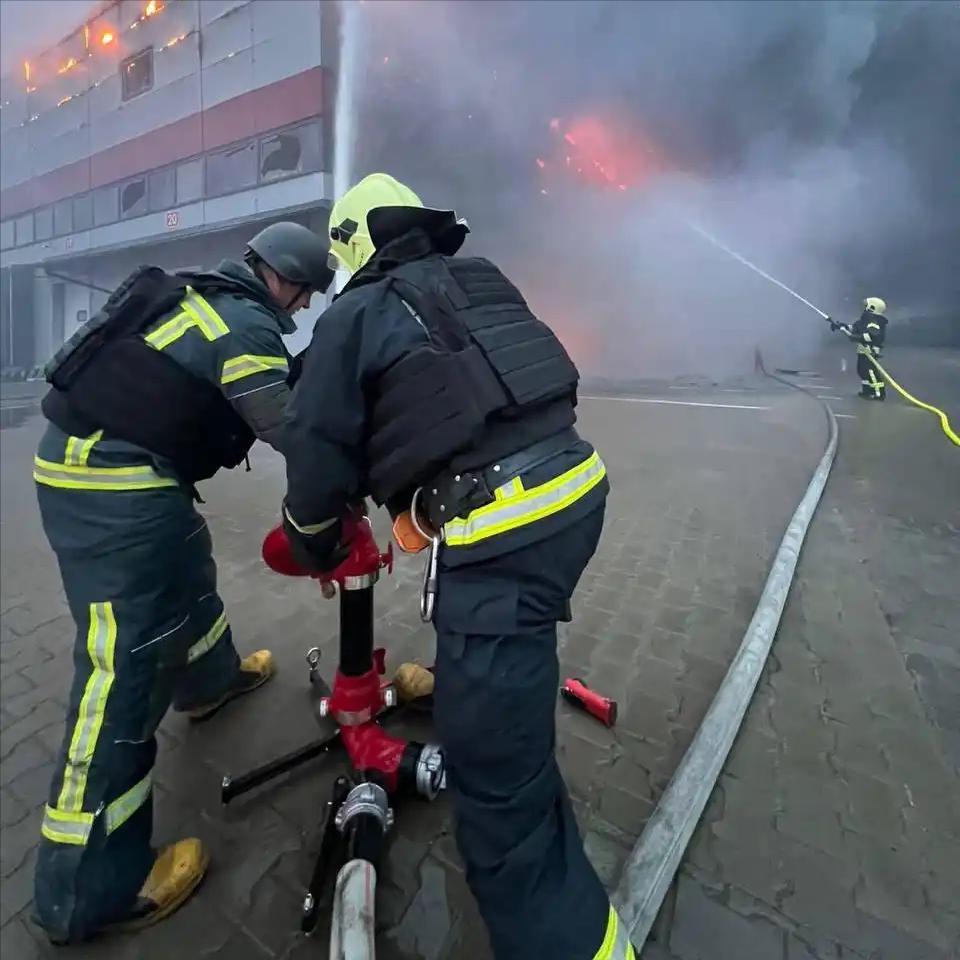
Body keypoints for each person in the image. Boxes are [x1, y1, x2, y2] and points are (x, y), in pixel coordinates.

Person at [282, 174, 634, 959]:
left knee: (497, 792)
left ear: (350, 246)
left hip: (506, 530)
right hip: (576, 492)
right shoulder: (475, 275)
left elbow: (314, 442)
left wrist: (310, 539)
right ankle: (508, 722)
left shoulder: (355, 314)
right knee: (510, 681)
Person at [32, 222, 333, 943]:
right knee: (122, 669)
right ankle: (85, 890)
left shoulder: (205, 295)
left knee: (187, 564)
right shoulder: (244, 324)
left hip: (116, 473)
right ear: (284, 280)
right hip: (111, 489)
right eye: (303, 299)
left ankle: (209, 683)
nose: (299, 313)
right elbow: (290, 430)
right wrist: (341, 493)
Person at [830, 296, 888, 400]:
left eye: (866, 305)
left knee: (871, 372)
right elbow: (855, 327)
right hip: (863, 351)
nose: (864, 307)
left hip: (870, 351)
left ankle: (878, 393)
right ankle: (866, 391)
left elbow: (872, 335)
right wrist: (840, 326)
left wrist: (856, 337)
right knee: (862, 370)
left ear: (872, 307)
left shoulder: (875, 321)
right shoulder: (865, 320)